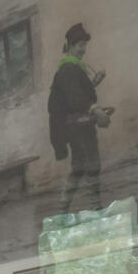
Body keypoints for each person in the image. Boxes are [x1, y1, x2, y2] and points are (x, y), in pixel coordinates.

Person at [48, 23, 108, 211]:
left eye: (84, 45)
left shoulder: (72, 68)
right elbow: (75, 99)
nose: (83, 50)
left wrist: (93, 83)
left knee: (79, 166)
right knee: (92, 163)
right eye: (79, 46)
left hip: (75, 125)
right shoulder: (69, 68)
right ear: (71, 46)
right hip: (79, 125)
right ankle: (96, 207)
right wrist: (96, 109)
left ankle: (64, 206)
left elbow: (77, 93)